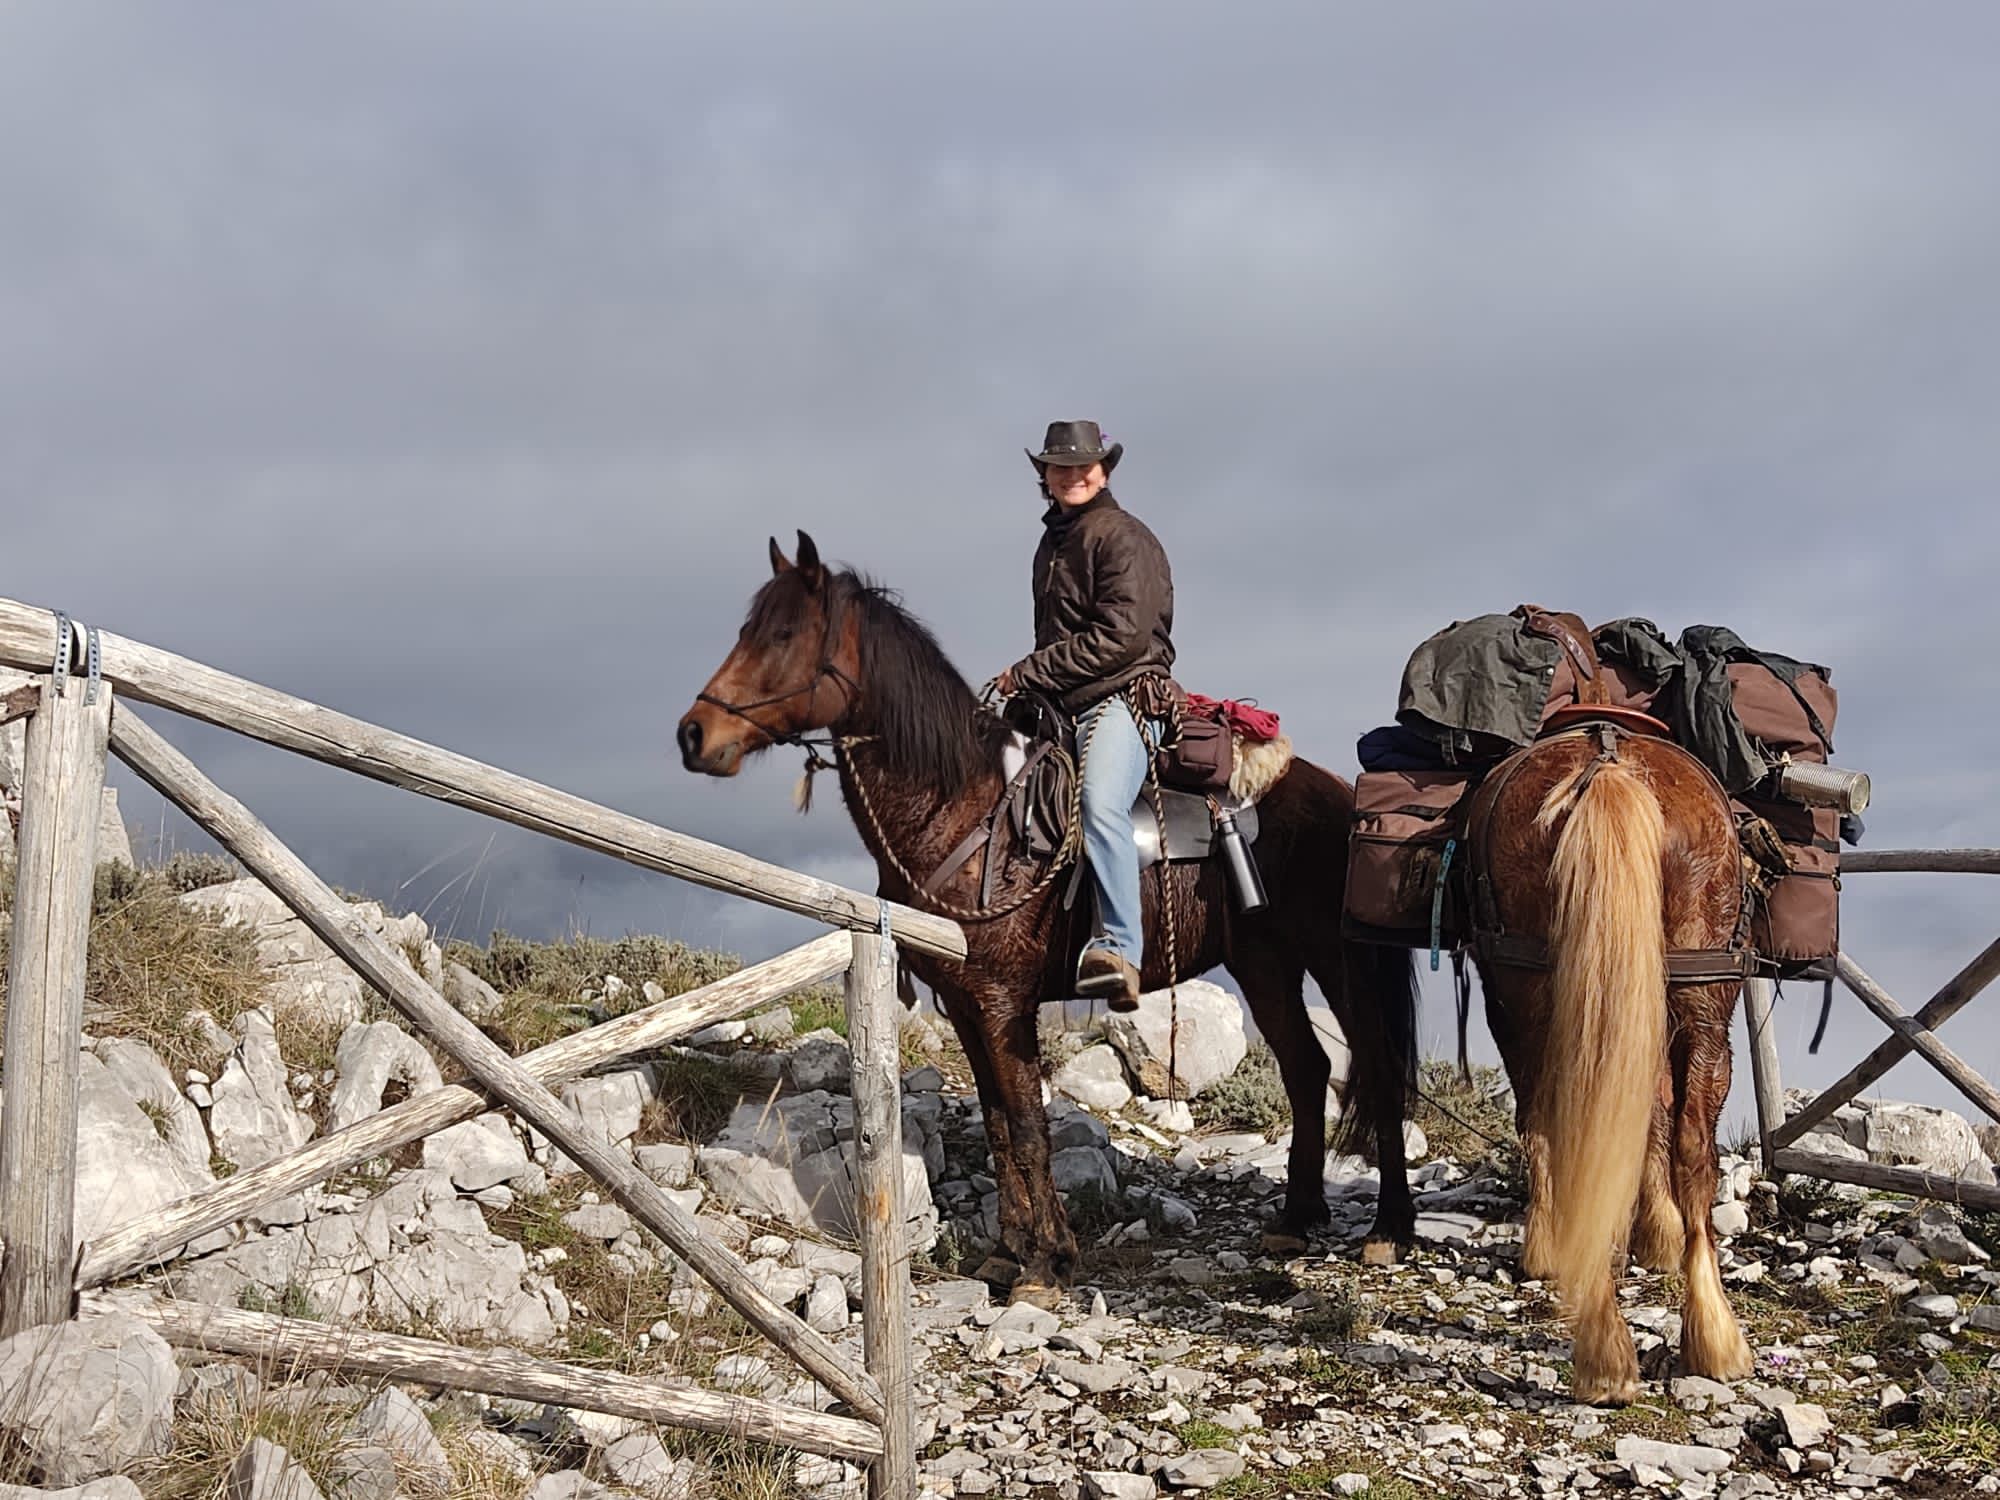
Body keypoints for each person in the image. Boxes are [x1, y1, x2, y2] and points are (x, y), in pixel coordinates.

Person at [996, 420, 1175, 1011]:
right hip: (1061, 706)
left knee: (1100, 803)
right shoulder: (1051, 545)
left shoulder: (1123, 536)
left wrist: (1029, 671)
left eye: (1083, 466)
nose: (1072, 476)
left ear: (1103, 471)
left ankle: (1121, 950)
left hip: (1122, 696)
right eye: (1060, 467)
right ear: (1044, 477)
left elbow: (1122, 637)